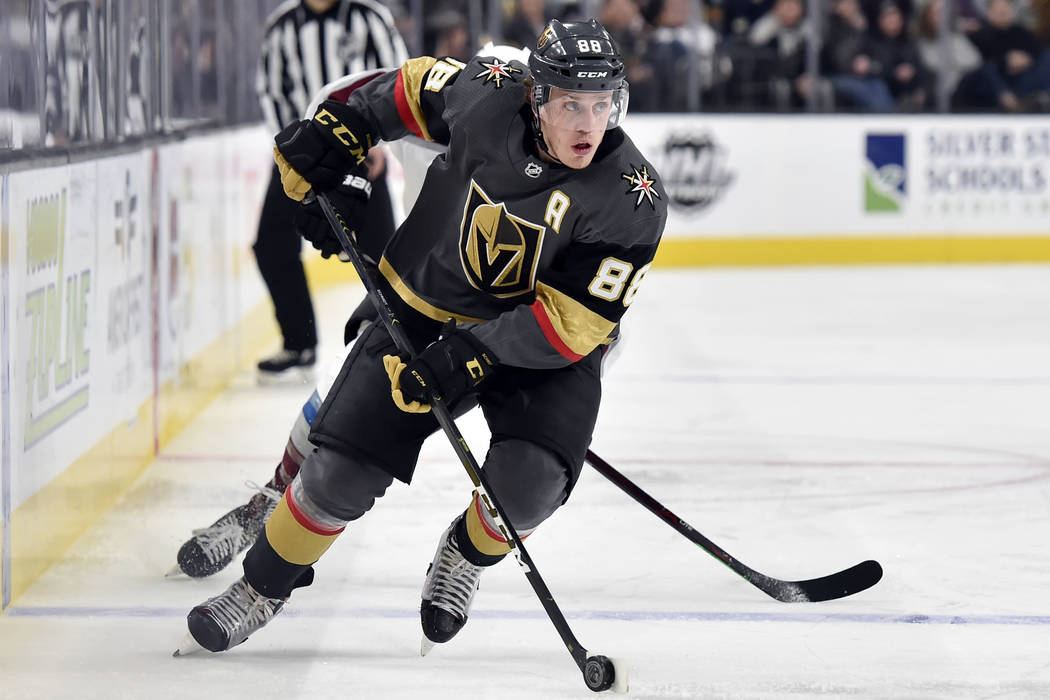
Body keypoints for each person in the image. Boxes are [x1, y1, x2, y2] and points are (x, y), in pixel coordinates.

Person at [175, 18, 667, 657]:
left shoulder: (634, 197)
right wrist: (335, 143)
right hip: (425, 304)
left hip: (540, 346)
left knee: (532, 485)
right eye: (572, 104)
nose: (588, 125)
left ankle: (465, 551)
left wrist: (473, 357)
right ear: (534, 96)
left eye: (602, 106)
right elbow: (392, 93)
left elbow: (575, 323)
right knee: (337, 477)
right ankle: (264, 579)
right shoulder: (486, 92)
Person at [253, 0, 408, 378]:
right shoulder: (282, 27)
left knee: (388, 256)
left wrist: (378, 145)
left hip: (363, 151)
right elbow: (272, 92)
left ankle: (399, 346)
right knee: (272, 244)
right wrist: (298, 150)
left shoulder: (370, 18)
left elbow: (397, 78)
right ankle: (299, 343)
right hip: (300, 158)